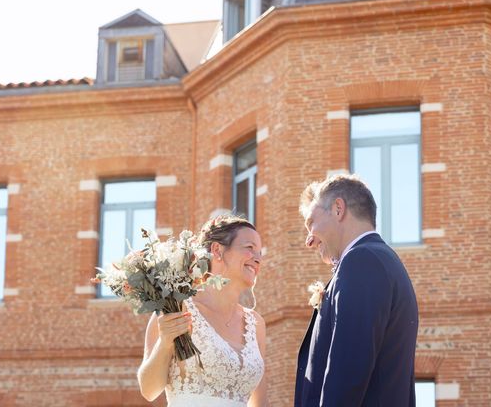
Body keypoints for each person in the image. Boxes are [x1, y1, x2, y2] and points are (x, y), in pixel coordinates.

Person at [295, 174, 419, 406]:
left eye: (311, 223)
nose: (308, 240)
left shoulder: (362, 261)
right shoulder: (378, 260)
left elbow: (347, 370)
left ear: (338, 209)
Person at [138, 215, 268, 407]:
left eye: (259, 252)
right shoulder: (176, 307)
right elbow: (149, 390)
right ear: (217, 250)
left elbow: (261, 403)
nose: (257, 259)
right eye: (249, 248)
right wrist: (165, 342)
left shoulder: (256, 323)